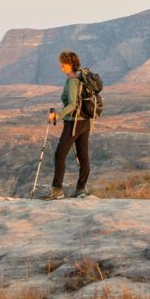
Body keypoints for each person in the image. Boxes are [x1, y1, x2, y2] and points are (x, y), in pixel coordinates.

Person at [44, 51, 91, 200]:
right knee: (83, 156)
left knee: (60, 155)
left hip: (73, 123)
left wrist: (57, 115)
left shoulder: (72, 81)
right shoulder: (79, 79)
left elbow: (72, 105)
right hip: (85, 122)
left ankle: (57, 190)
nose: (60, 67)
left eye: (63, 64)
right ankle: (81, 189)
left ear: (70, 65)